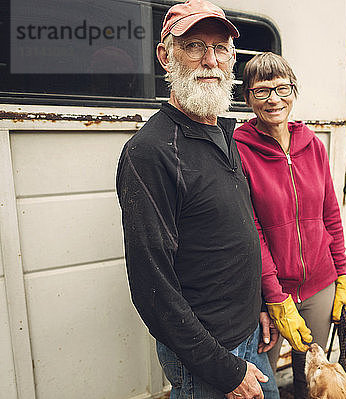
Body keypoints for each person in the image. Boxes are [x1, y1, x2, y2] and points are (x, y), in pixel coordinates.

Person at [116, 1, 280, 398]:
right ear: (165, 55)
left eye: (221, 48)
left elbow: (233, 232)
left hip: (248, 336)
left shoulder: (226, 135)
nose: (211, 60)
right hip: (209, 357)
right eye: (194, 46)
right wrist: (223, 371)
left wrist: (258, 303)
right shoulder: (150, 152)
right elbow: (152, 288)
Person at [233, 52, 346, 399]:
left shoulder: (313, 145)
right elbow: (252, 232)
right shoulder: (239, 150)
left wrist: (343, 277)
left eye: (281, 88)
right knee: (262, 383)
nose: (274, 99)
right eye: (261, 91)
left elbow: (331, 214)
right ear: (248, 98)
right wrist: (274, 298)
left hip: (320, 285)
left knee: (312, 378)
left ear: (293, 91)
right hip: (268, 297)